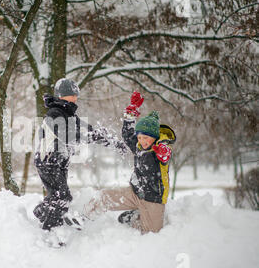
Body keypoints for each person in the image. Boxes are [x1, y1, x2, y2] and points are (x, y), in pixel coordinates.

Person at [33, 78, 127, 231]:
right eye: (72, 94)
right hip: (48, 161)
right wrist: (89, 136)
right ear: (62, 95)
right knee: (61, 197)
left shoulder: (69, 114)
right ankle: (50, 230)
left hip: (59, 162)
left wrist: (111, 141)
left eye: (76, 94)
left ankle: (42, 213)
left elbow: (88, 130)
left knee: (58, 196)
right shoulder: (54, 113)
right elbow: (68, 135)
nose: (76, 98)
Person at [83, 91, 176, 234]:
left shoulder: (160, 149)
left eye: (146, 138)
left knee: (151, 234)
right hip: (135, 193)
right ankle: (82, 218)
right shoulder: (139, 146)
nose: (142, 141)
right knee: (103, 197)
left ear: (154, 137)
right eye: (140, 137)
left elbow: (165, 156)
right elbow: (127, 135)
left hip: (153, 199)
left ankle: (134, 218)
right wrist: (131, 113)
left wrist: (163, 151)